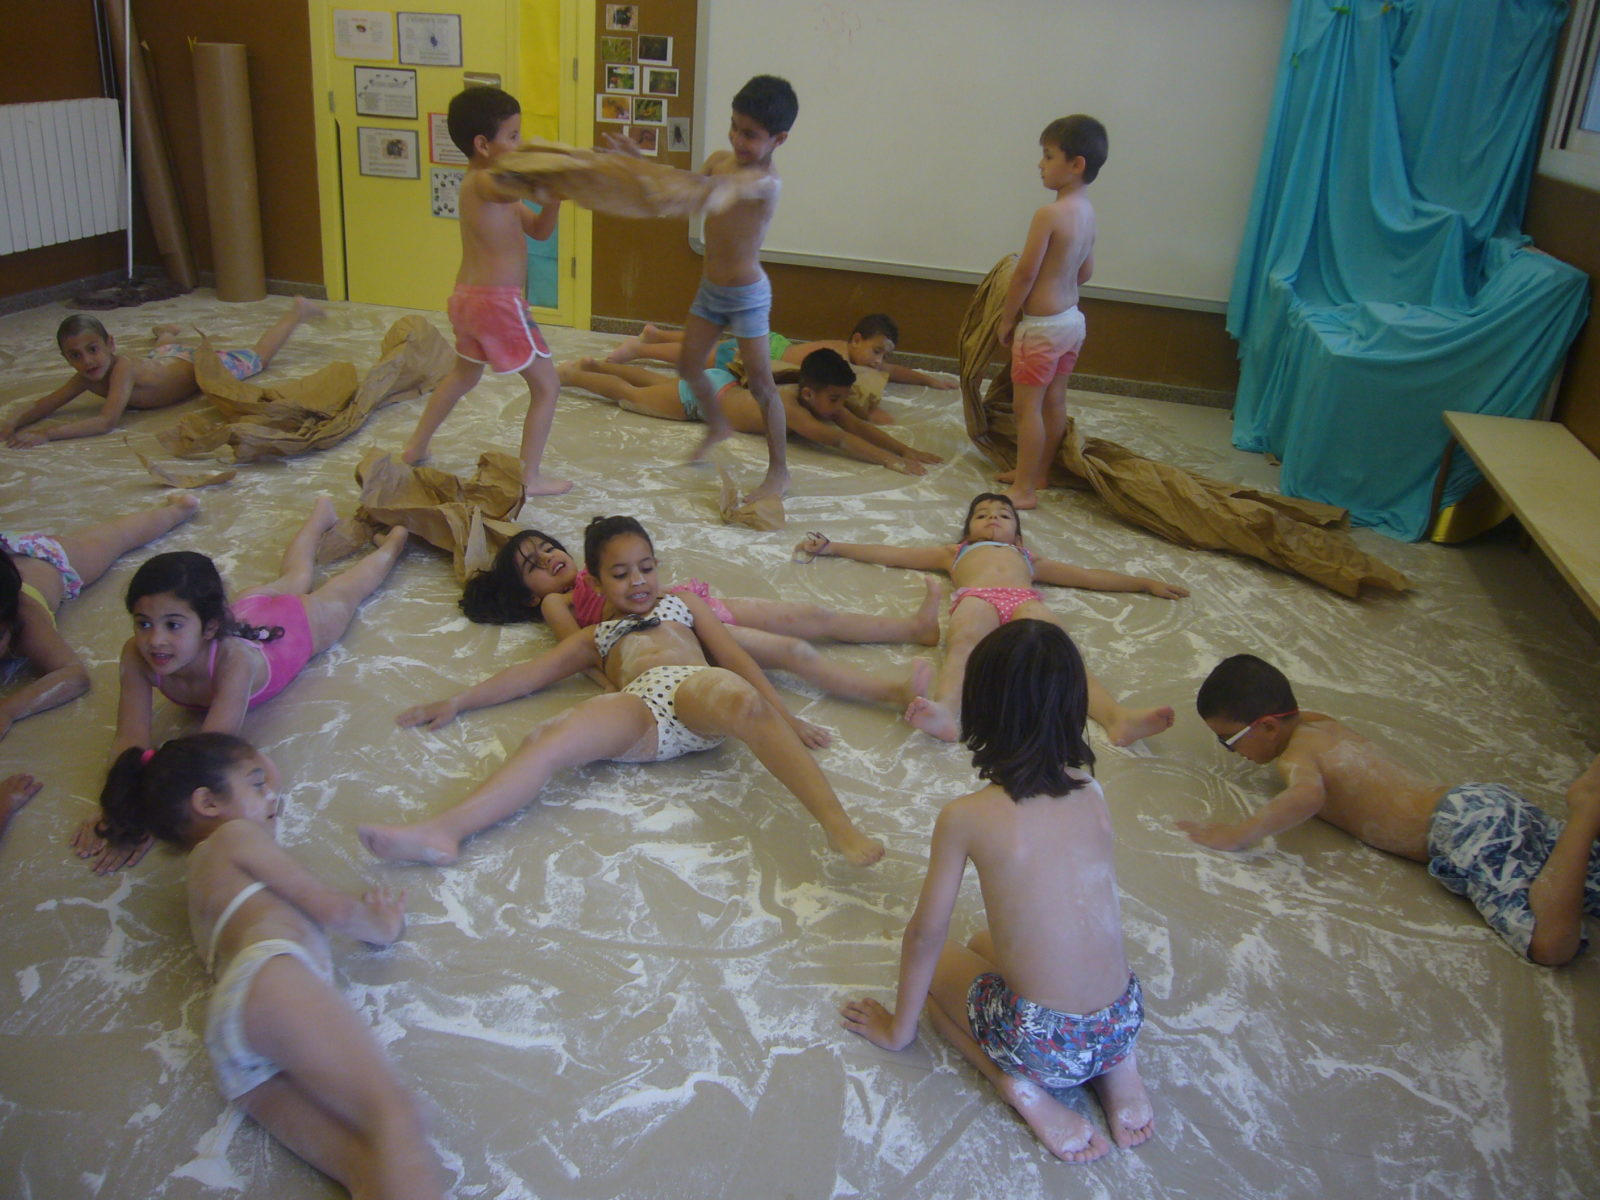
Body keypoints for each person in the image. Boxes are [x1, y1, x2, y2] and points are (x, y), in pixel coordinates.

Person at [359, 516, 886, 868]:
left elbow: (734, 656)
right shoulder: (594, 635)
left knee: (740, 696)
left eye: (646, 568)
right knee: (549, 737)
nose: (638, 582)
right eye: (620, 574)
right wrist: (458, 701)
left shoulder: (681, 604)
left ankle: (839, 827)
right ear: (594, 581)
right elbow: (530, 674)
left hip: (697, 692)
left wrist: (784, 716)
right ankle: (444, 831)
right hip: (642, 710)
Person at [841, 620, 1155, 1163]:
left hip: (1042, 1044)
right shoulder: (1091, 789)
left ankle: (1019, 1087)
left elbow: (925, 935)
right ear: (1074, 705)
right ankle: (1118, 1072)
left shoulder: (966, 816)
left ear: (981, 707)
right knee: (985, 942)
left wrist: (897, 1030)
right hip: (1122, 1018)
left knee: (940, 977)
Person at [96, 733, 443, 1198]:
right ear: (208, 803)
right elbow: (329, 908)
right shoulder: (235, 836)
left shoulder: (199, 880)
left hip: (236, 1046)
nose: (272, 796)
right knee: (395, 1117)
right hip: (271, 978)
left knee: (365, 1171)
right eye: (256, 784)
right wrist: (383, 925)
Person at [1178, 653, 1600, 966]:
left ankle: (1586, 807)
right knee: (1578, 874)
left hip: (1459, 830)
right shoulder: (1317, 723)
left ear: (1269, 726)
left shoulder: (1295, 758)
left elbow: (1307, 797)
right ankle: (1583, 822)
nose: (1230, 751)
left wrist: (1239, 833)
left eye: (1228, 740)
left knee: (1549, 945)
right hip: (1483, 801)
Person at [72, 497, 409, 873]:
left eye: (173, 625)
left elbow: (207, 756)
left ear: (209, 627)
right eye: (143, 623)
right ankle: (320, 517)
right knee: (295, 576)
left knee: (349, 587)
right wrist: (115, 805)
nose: (155, 640)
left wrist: (153, 814)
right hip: (249, 610)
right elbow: (130, 738)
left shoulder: (234, 663)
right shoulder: (136, 654)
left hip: (297, 628)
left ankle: (395, 541)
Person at [796, 493, 1186, 743]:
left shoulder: (1028, 557)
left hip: (1024, 599)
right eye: (982, 515)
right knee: (963, 644)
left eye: (1003, 515)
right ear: (967, 532)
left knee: (1060, 649)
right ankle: (947, 712)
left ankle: (1115, 717)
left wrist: (1143, 583)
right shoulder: (955, 553)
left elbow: (1087, 576)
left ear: (1018, 535)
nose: (993, 519)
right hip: (977, 598)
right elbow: (894, 554)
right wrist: (835, 547)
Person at [460, 527, 940, 707]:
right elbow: (579, 651)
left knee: (810, 614)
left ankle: (913, 629)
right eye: (533, 565)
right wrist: (609, 686)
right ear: (528, 597)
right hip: (673, 634)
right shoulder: (554, 603)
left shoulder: (595, 566)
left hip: (691, 604)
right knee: (794, 653)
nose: (548, 558)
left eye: (548, 547)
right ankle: (889, 693)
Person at [606, 75, 797, 501]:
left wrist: (653, 174)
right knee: (689, 365)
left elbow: (706, 193)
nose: (737, 139)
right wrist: (640, 168)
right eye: (734, 127)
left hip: (747, 295)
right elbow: (681, 193)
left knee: (762, 385)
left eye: (750, 134)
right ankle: (718, 424)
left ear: (779, 139)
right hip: (712, 289)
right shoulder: (718, 161)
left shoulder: (765, 184)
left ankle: (779, 471)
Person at [398, 86, 570, 495]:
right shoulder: (485, 182)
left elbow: (539, 230)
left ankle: (415, 448)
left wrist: (555, 201)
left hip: (470, 300)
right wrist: (558, 170)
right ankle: (528, 477)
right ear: (482, 144)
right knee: (547, 386)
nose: (520, 144)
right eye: (513, 136)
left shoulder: (493, 188)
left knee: (463, 375)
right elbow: (520, 186)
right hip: (498, 304)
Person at [557, 348, 943, 476]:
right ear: (809, 393)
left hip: (719, 384)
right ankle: (573, 376)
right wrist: (890, 462)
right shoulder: (791, 408)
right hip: (704, 399)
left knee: (655, 382)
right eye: (835, 400)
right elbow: (842, 440)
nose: (840, 408)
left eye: (842, 399)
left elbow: (855, 424)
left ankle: (596, 364)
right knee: (632, 395)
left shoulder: (813, 398)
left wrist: (904, 449)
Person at [2, 494, 198, 741]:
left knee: (116, 537)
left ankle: (180, 508)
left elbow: (73, 675)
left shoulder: (25, 616)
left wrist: (8, 710)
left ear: (10, 622)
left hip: (42, 557)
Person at [0, 300, 321, 447]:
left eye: (93, 349)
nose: (87, 361)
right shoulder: (88, 375)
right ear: (66, 359)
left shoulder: (122, 367)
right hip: (163, 359)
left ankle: (297, 312)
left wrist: (48, 434)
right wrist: (12, 421)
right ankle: (165, 333)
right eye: (75, 355)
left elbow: (106, 421)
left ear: (110, 344)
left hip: (196, 365)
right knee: (164, 350)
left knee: (259, 357)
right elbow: (47, 402)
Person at [994, 115, 1107, 511]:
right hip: (1071, 322)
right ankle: (1039, 472)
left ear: (1076, 164)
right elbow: (1086, 272)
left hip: (1041, 328)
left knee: (1027, 408)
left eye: (1048, 156)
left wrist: (1007, 317)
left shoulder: (1049, 214)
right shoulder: (1088, 212)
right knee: (1054, 401)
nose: (1040, 164)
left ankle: (1024, 489)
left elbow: (1025, 273)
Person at [606, 313, 957, 421]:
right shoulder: (840, 356)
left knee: (710, 344)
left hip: (774, 345)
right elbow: (862, 392)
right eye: (876, 352)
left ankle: (657, 334)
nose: (878, 362)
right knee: (700, 353)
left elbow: (892, 371)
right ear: (856, 340)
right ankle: (642, 348)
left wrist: (929, 380)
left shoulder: (856, 357)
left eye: (884, 355)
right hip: (762, 352)